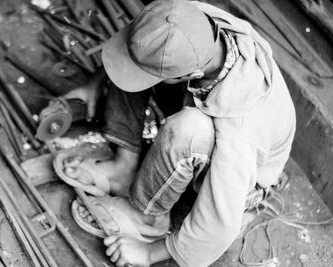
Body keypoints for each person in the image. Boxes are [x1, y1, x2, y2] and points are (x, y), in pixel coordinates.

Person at [63, 0, 296, 266]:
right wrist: (95, 82)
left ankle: (146, 217)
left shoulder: (240, 131)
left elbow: (220, 223)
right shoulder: (186, 18)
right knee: (145, 61)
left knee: (187, 129)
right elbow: (139, 45)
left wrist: (148, 253)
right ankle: (123, 169)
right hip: (199, 97)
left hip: (242, 180)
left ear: (194, 73)